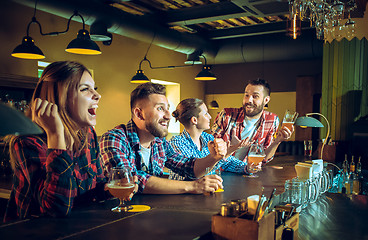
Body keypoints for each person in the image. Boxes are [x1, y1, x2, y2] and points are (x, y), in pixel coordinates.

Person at [4, 61, 107, 222]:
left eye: (95, 88)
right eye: (85, 89)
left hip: (79, 227)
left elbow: (98, 186)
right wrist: (56, 135)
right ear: (60, 98)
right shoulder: (28, 143)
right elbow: (56, 209)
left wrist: (114, 186)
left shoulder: (88, 134)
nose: (97, 95)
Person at [99, 82, 227, 195]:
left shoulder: (159, 142)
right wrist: (193, 186)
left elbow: (188, 167)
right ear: (139, 113)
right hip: (112, 217)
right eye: (160, 108)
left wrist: (213, 157)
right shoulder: (114, 139)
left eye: (168, 109)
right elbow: (130, 179)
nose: (168, 116)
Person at [169, 98, 259, 180]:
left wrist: (247, 168)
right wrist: (224, 155)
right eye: (206, 114)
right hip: (183, 196)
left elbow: (227, 162)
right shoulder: (177, 143)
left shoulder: (208, 138)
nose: (210, 117)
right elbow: (196, 174)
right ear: (194, 120)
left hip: (207, 192)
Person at [212, 78, 293, 165]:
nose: (249, 100)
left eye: (255, 96)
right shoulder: (226, 115)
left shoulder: (272, 120)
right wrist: (232, 147)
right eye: (246, 95)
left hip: (248, 172)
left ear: (266, 100)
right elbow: (209, 150)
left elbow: (264, 158)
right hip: (221, 170)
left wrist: (278, 141)